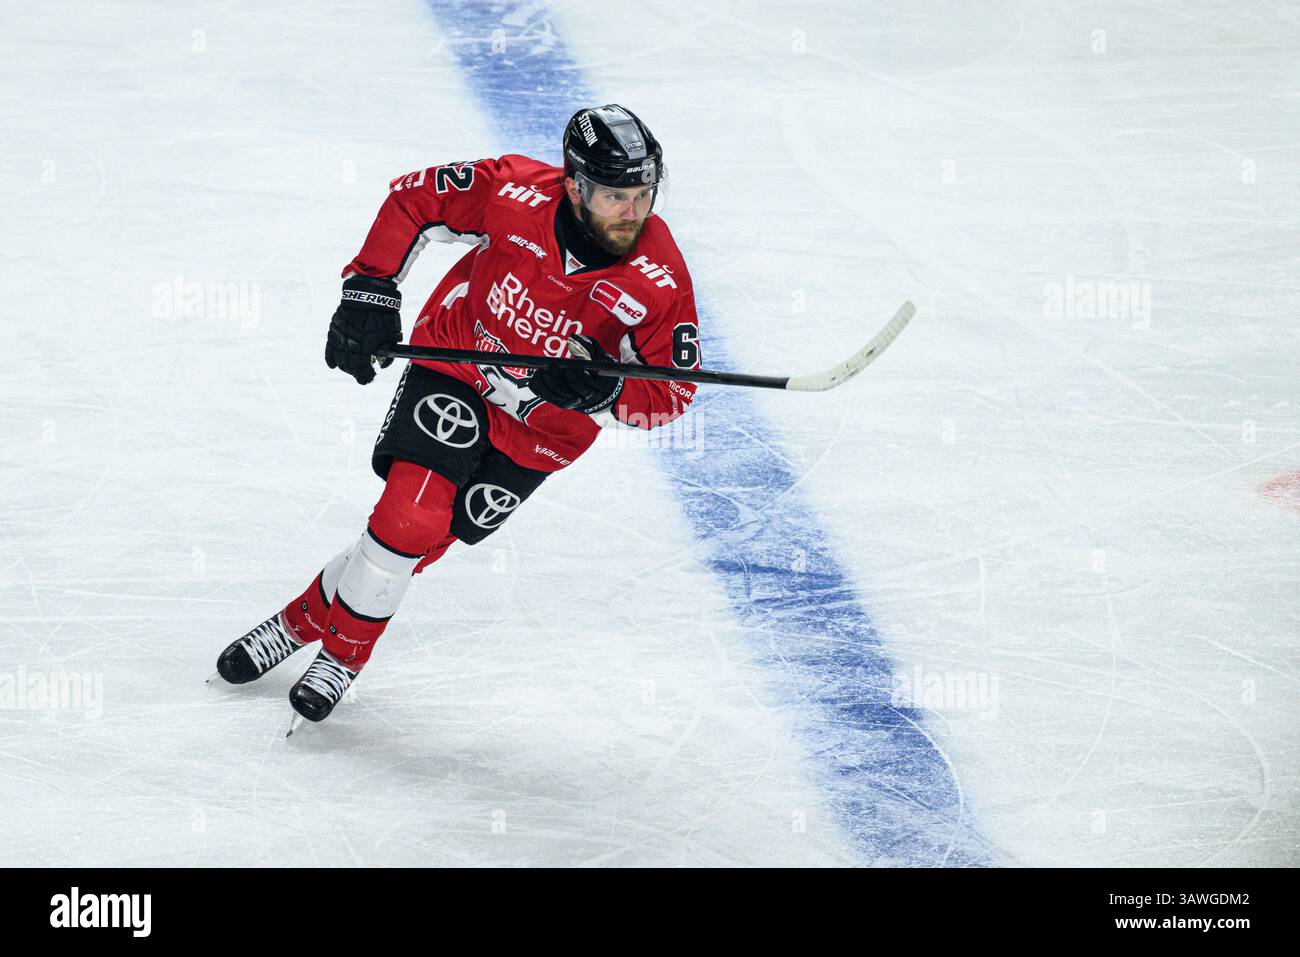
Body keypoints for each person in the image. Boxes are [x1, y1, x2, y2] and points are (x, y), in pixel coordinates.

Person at [213, 104, 702, 729]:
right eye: (614, 196)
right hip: (459, 365)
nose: (632, 213)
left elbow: (672, 397)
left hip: (543, 432)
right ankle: (343, 656)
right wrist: (370, 290)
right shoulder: (514, 192)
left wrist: (601, 392)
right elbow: (413, 200)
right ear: (575, 185)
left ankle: (298, 621)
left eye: (642, 194)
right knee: (409, 515)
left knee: (424, 542)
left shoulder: (660, 280)